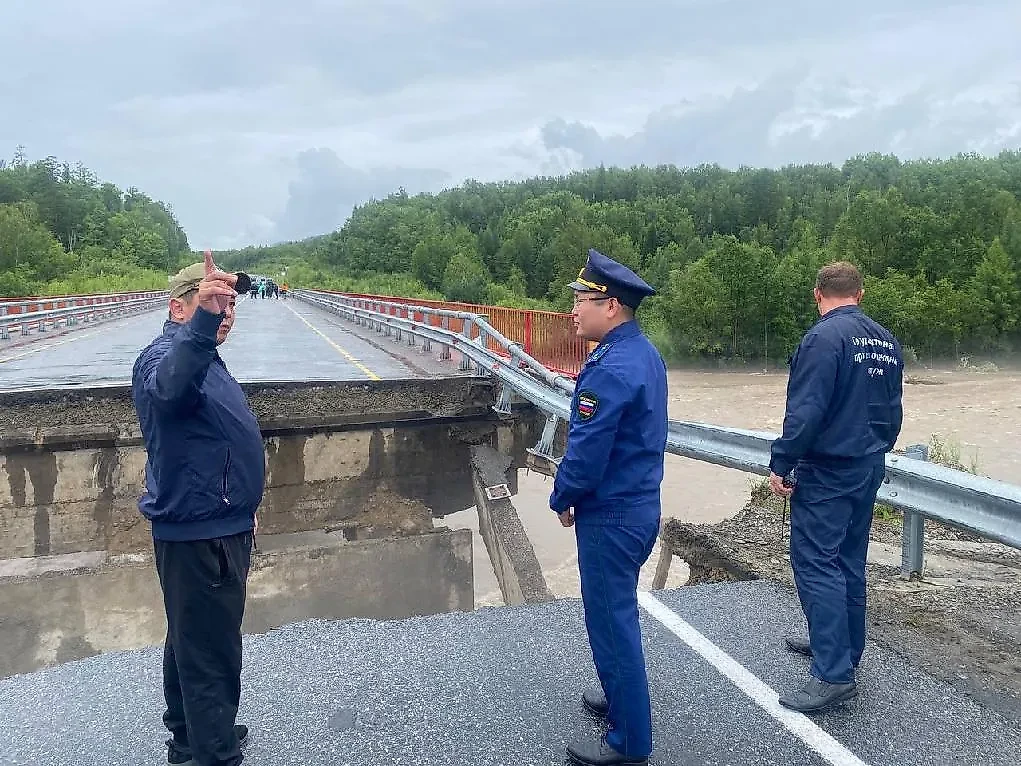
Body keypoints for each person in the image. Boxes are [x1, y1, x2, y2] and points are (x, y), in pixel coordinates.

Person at [132, 252, 265, 766]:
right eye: (211, 303)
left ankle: (190, 739)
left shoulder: (201, 355)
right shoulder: (165, 356)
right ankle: (214, 753)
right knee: (212, 651)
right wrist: (203, 326)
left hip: (215, 520)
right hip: (200, 531)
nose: (225, 314)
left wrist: (243, 506)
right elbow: (169, 391)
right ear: (178, 308)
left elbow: (215, 443)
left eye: (229, 306)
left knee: (190, 640)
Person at [768, 261, 903, 714]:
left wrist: (782, 462)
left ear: (817, 294)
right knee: (848, 559)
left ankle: (833, 674)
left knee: (815, 562)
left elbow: (806, 411)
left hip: (827, 469)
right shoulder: (885, 340)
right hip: (868, 463)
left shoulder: (822, 338)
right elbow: (893, 409)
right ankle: (845, 649)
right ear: (860, 295)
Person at [550, 249, 667, 766]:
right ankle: (619, 696)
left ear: (611, 306)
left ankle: (629, 743)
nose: (573, 310)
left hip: (612, 515)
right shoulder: (643, 353)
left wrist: (563, 495)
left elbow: (587, 452)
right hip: (638, 507)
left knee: (611, 623)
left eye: (582, 300)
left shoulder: (610, 368)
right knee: (615, 615)